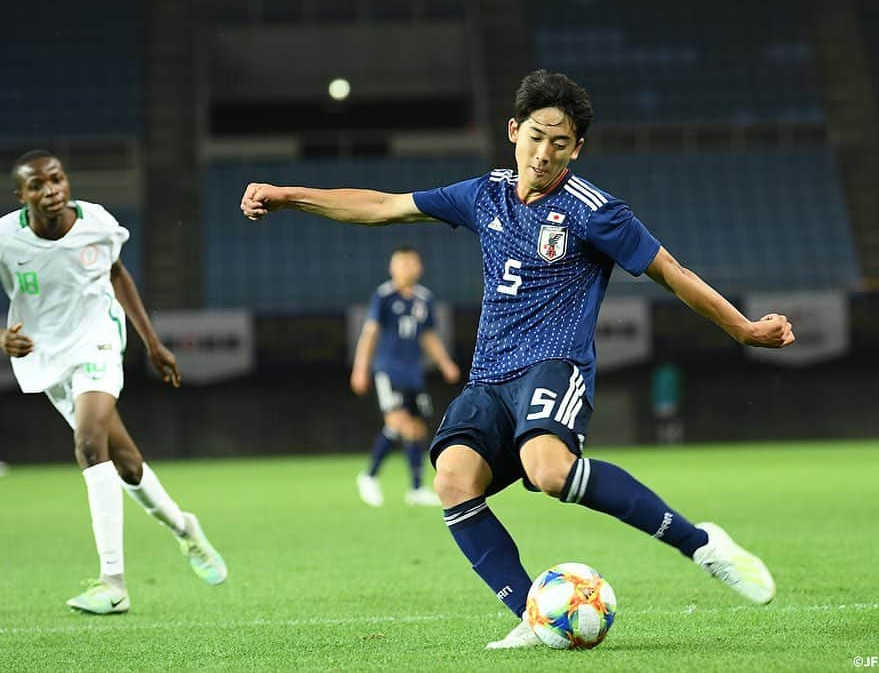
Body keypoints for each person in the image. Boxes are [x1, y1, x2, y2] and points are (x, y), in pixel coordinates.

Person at [240, 70, 794, 648]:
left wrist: (744, 329)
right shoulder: (485, 195)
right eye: (535, 137)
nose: (544, 153)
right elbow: (382, 205)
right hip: (489, 378)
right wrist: (289, 196)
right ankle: (535, 616)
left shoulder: (594, 211)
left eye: (559, 143)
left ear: (576, 148)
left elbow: (671, 272)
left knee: (548, 471)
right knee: (453, 480)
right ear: (514, 131)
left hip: (554, 364)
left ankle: (702, 544)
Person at [0, 150, 227, 615]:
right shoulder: (6, 237)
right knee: (126, 464)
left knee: (88, 445)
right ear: (21, 195)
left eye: (57, 179)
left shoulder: (97, 222)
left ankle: (113, 583)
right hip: (48, 359)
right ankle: (186, 528)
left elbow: (117, 273)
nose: (52, 190)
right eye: (38, 185)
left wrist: (152, 343)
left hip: (99, 343)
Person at [351, 246, 460, 507]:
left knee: (417, 428)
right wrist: (360, 368)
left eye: (411, 263)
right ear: (392, 268)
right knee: (398, 421)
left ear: (419, 267)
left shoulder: (424, 299)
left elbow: (428, 335)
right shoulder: (384, 296)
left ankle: (415, 489)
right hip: (388, 370)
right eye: (401, 263)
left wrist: (445, 363)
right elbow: (370, 334)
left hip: (414, 373)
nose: (407, 268)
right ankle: (369, 476)